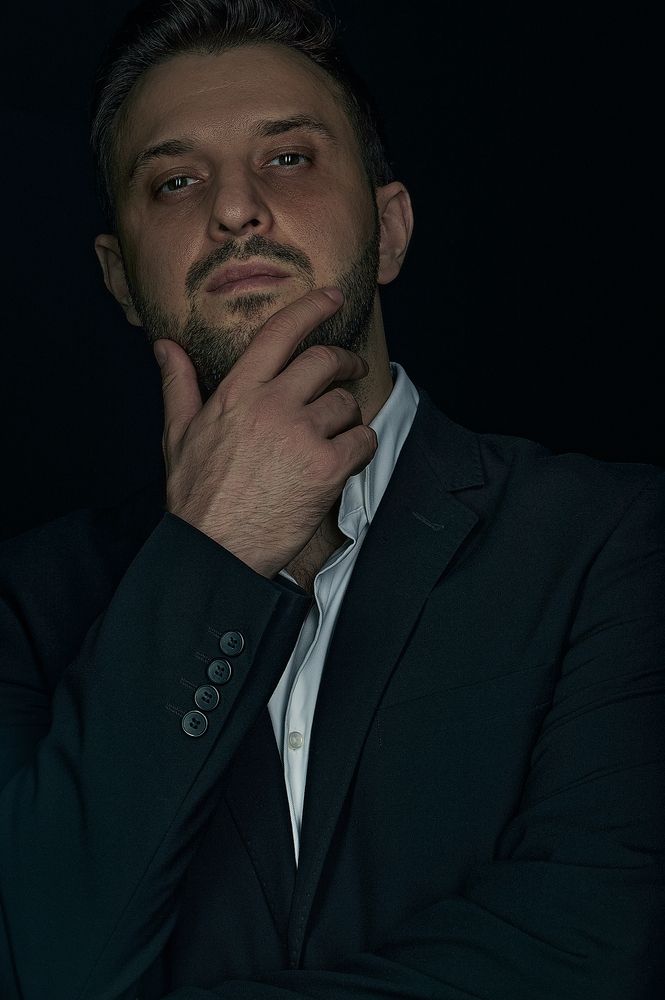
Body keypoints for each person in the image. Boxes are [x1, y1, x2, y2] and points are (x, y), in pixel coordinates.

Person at [0, 1, 663, 998]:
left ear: (388, 230)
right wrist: (214, 554)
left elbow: (601, 947)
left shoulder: (612, 538)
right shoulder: (25, 603)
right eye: (176, 181)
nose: (234, 210)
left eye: (289, 159)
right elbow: (40, 963)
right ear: (120, 278)